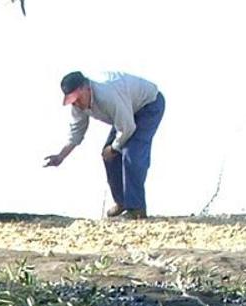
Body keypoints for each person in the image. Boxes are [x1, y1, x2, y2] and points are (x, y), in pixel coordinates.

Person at [44, 71, 165, 219]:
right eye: (72, 101)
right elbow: (77, 132)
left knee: (132, 154)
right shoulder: (79, 105)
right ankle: (122, 202)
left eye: (77, 98)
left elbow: (127, 128)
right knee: (109, 156)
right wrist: (61, 156)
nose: (76, 104)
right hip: (126, 112)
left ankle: (136, 209)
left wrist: (114, 148)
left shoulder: (107, 95)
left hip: (148, 105)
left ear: (86, 88)